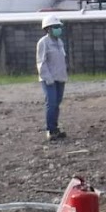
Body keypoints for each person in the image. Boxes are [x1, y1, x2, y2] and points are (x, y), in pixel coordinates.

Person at [37, 14, 68, 142]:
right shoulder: (43, 42)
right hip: (49, 79)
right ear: (48, 29)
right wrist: (47, 77)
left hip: (60, 78)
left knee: (57, 104)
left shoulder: (59, 42)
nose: (58, 29)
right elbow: (41, 62)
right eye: (55, 27)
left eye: (58, 26)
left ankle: (55, 128)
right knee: (51, 103)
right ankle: (50, 130)